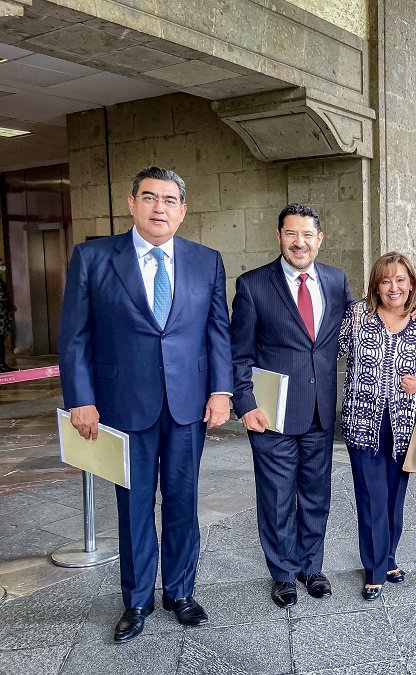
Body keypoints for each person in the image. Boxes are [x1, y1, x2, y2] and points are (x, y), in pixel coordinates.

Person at [58, 167, 232, 643]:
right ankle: (136, 600)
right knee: (133, 504)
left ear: (183, 211)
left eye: (170, 200)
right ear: (132, 203)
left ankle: (181, 592)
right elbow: (75, 336)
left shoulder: (206, 261)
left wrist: (221, 391)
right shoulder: (94, 257)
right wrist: (81, 399)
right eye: (150, 197)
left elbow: (218, 330)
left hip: (187, 404)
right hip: (122, 404)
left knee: (183, 500)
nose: (160, 208)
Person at [230, 204, 353, 608]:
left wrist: (409, 311)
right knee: (277, 497)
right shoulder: (253, 285)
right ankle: (283, 573)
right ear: (279, 236)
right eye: (291, 234)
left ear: (320, 239)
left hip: (320, 411)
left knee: (317, 495)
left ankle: (311, 566)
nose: (299, 242)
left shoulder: (335, 281)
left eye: (307, 235)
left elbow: (360, 325)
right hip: (272, 413)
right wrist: (245, 403)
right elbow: (239, 353)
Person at [338, 252, 416, 601]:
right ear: (376, 286)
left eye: (400, 280)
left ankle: (389, 558)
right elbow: (330, 349)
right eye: (385, 280)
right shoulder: (357, 315)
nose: (393, 287)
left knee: (394, 499)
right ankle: (375, 569)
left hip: (403, 425)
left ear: (411, 284)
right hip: (362, 422)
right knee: (371, 498)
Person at [0, 260, 15, 372]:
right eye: (1, 265)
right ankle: (1, 364)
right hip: (1, 316)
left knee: (1, 341)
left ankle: (2, 363)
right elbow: (2, 297)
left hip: (3, 315)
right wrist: (9, 305)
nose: (3, 267)